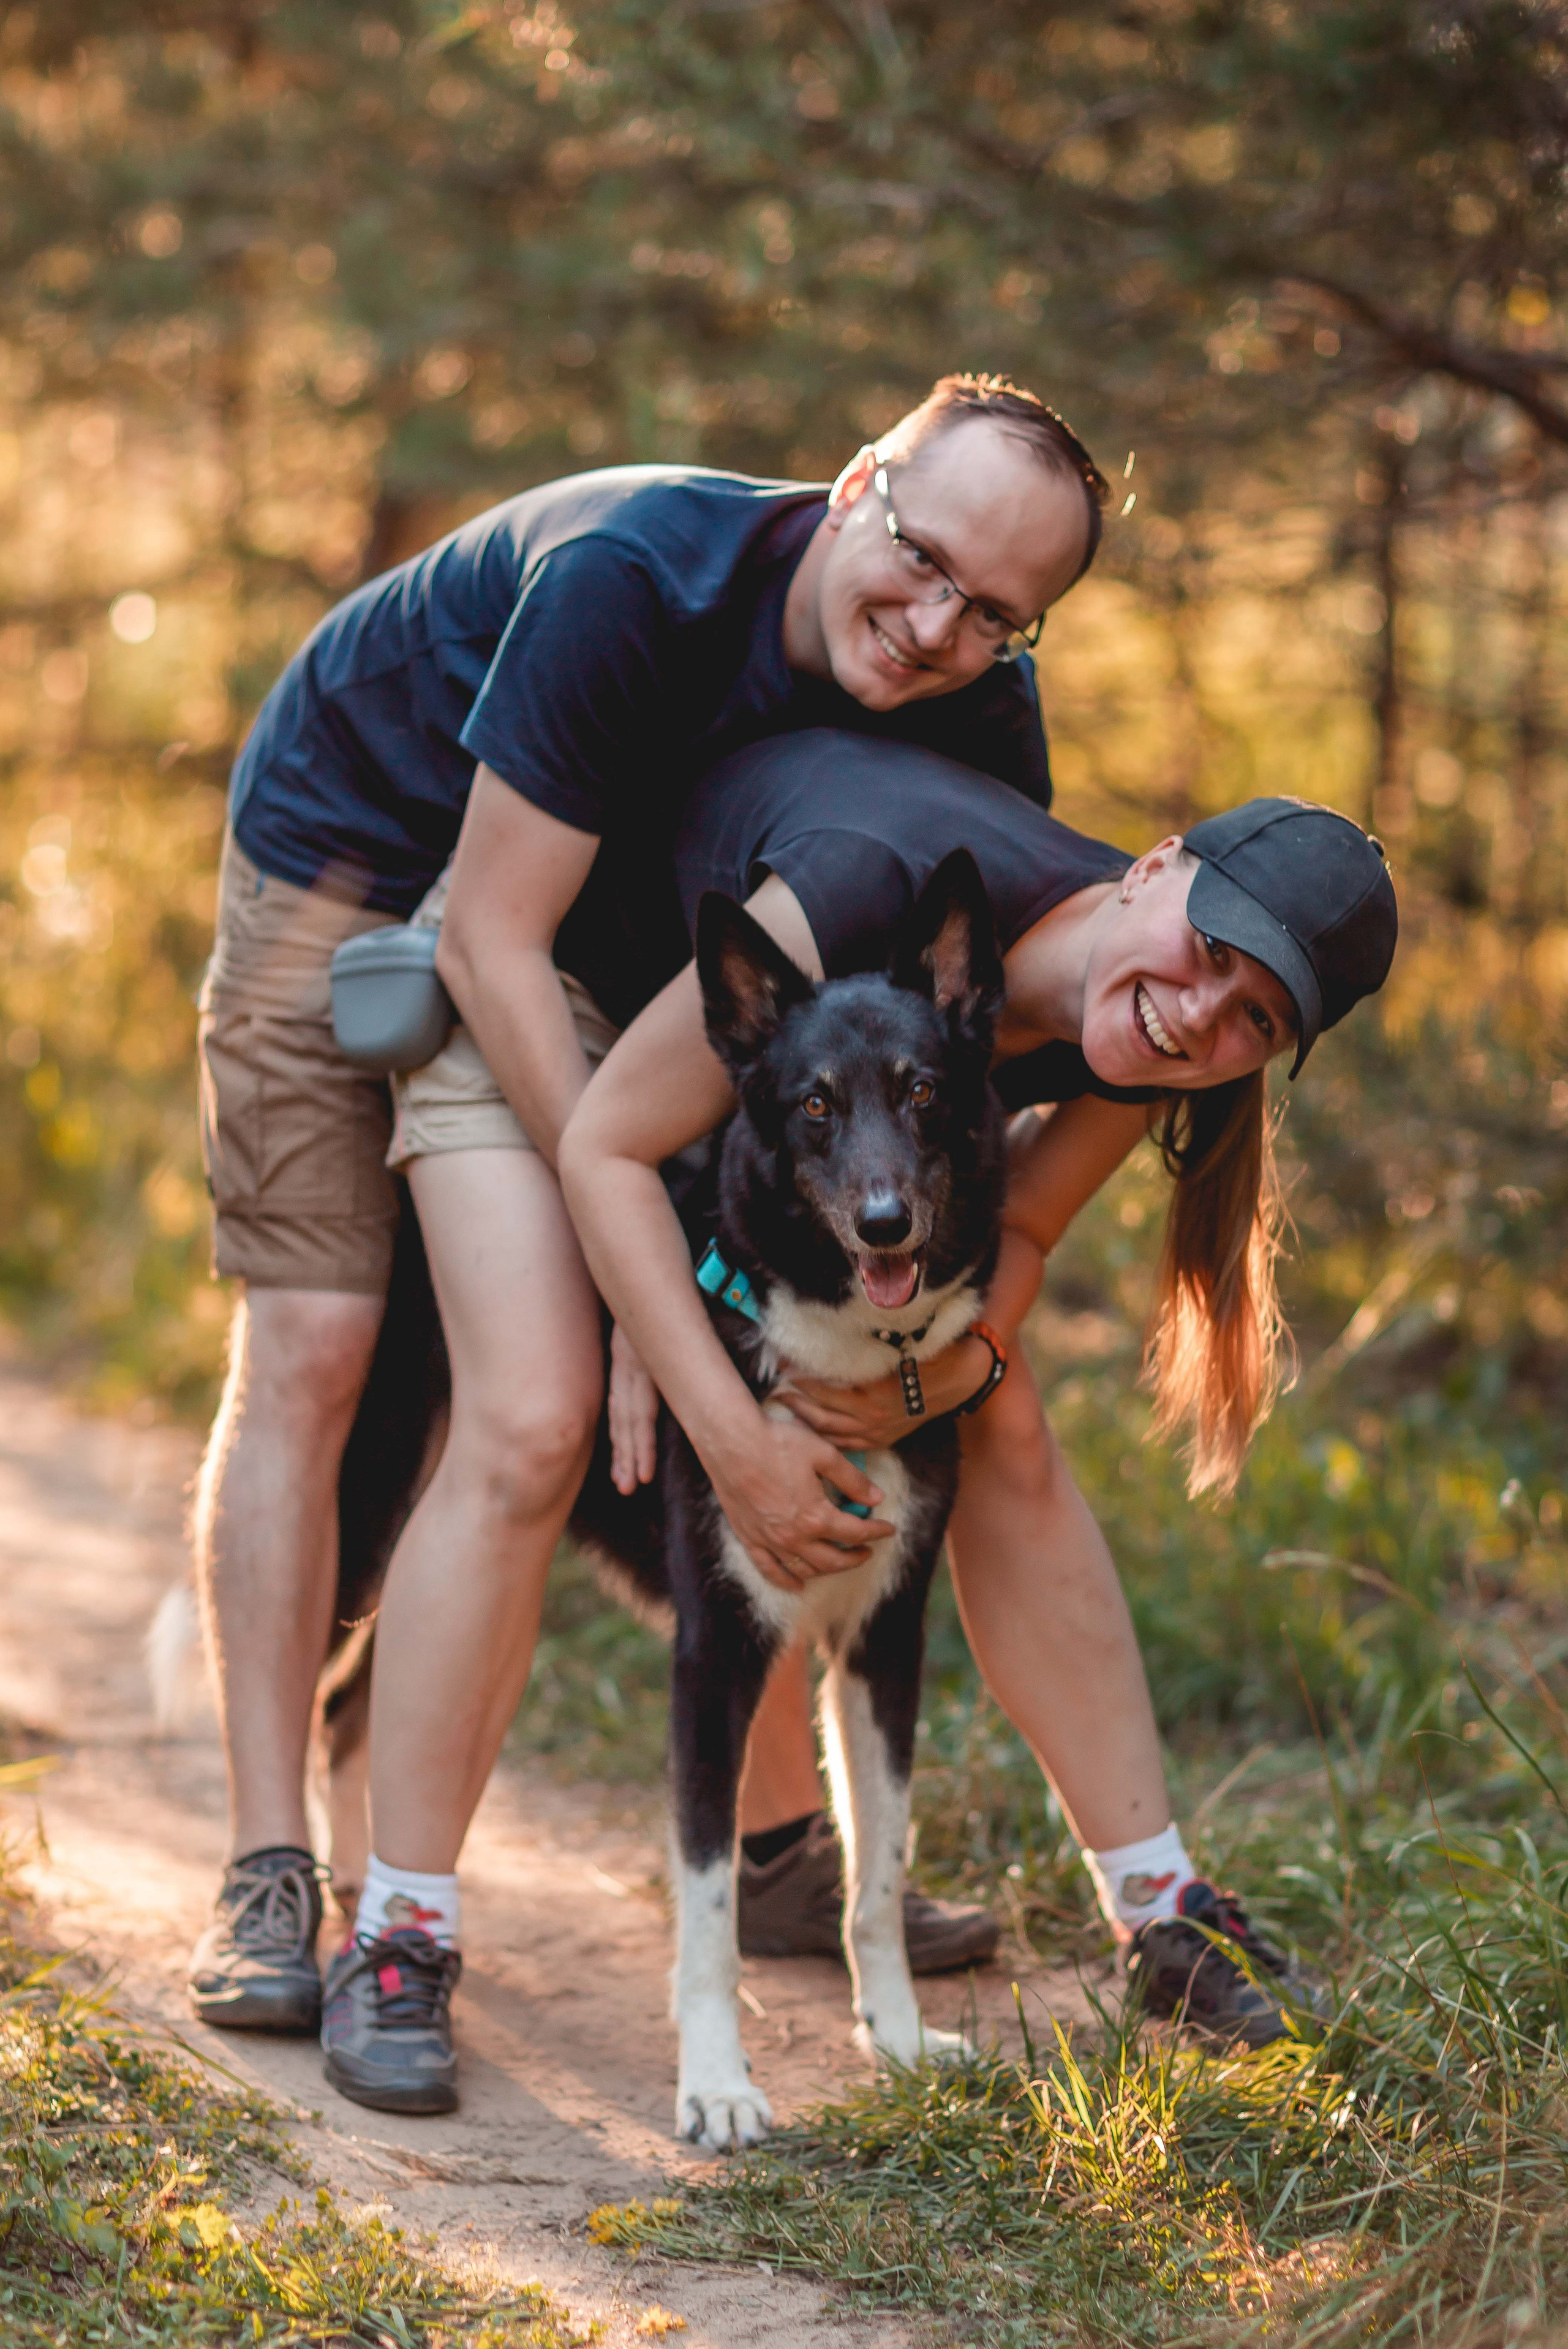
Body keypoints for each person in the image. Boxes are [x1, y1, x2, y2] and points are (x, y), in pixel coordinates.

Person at [186, 374, 1110, 2114]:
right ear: (855, 489)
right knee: (359, 1359)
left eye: (998, 613)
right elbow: (489, 940)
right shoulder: (636, 580)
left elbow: (943, 1034)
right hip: (371, 875)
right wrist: (642, 1280)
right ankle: (277, 1873)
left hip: (649, 969)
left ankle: (776, 1849)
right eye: (920, 564)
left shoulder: (978, 703)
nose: (937, 627)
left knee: (755, 1380)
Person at [556, 733, 1398, 2046]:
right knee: (529, 1405)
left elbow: (1017, 1244)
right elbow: (610, 1140)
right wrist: (720, 1423)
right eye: (1209, 954)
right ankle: (387, 1890)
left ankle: (1153, 1901)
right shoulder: (866, 889)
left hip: (784, 1161)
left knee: (990, 1417)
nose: (1200, 1014)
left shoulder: (1147, 1048)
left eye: (1255, 1021)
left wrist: (935, 1377)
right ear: (1155, 867)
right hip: (591, 1009)